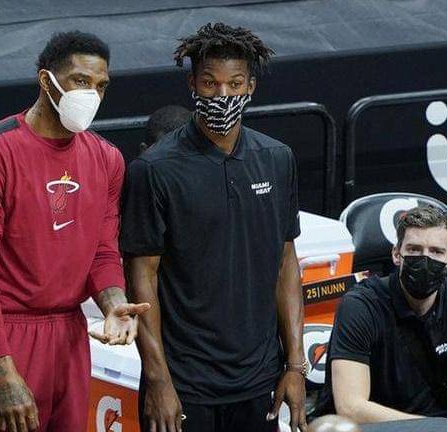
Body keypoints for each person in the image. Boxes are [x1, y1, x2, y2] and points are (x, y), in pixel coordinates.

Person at [0, 31, 149, 432]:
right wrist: (3, 370)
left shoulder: (108, 159)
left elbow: (102, 252)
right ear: (46, 80)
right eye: (81, 81)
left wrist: (113, 302)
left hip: (70, 336)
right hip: (6, 334)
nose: (91, 94)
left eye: (100, 85)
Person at [121, 22, 307, 432]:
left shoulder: (277, 158)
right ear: (192, 84)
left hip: (259, 379)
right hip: (184, 383)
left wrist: (295, 365)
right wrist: (158, 380)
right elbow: (141, 279)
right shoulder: (154, 170)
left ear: (251, 86)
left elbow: (285, 264)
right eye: (210, 83)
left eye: (235, 84)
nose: (223, 95)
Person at [324, 205, 447, 423]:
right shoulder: (361, 306)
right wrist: (434, 428)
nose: (425, 260)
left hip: (444, 424)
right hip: (377, 427)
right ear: (396, 254)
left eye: (436, 251)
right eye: (414, 250)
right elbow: (351, 407)